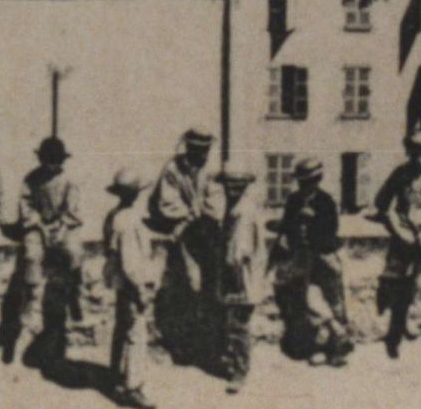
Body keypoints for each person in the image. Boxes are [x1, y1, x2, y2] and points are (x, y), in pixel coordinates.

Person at [0, 137, 83, 370]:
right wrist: (39, 226)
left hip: (62, 227)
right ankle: (31, 297)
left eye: (55, 161)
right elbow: (26, 207)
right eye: (47, 161)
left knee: (74, 252)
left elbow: (72, 211)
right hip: (37, 227)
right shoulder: (31, 179)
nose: (51, 166)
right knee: (31, 254)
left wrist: (61, 228)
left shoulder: (69, 181)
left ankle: (75, 295)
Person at [370, 130, 421, 359]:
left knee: (414, 281)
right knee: (395, 280)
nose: (419, 159)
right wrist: (385, 216)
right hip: (402, 231)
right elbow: (382, 198)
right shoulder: (401, 173)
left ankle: (403, 325)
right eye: (415, 153)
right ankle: (396, 330)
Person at [146, 127, 222, 365]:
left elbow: (216, 204)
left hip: (208, 234)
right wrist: (189, 216)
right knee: (189, 284)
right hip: (184, 235)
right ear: (189, 148)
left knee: (214, 286)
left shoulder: (210, 170)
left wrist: (198, 214)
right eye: (198, 150)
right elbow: (167, 203)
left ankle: (213, 346)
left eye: (205, 150)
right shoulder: (173, 169)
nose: (202, 155)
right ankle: (184, 346)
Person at [272, 157, 352, 366]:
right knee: (308, 301)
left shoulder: (326, 201)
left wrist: (314, 221)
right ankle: (321, 343)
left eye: (310, 180)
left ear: (317, 180)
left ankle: (336, 349)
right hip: (302, 257)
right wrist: (282, 228)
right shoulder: (294, 200)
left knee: (334, 299)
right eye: (302, 181)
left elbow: (331, 230)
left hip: (324, 254)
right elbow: (287, 225)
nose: (305, 185)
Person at [101, 168, 161, 409]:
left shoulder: (113, 215)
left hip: (119, 281)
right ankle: (133, 387)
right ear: (136, 194)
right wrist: (141, 290)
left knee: (122, 328)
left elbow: (110, 251)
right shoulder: (130, 220)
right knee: (136, 333)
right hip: (130, 282)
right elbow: (131, 263)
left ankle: (117, 377)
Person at [212, 163, 265, 393]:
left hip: (240, 277)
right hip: (242, 274)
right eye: (227, 186)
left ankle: (239, 371)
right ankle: (234, 363)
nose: (230, 190)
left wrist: (232, 278)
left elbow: (238, 253)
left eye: (235, 186)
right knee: (235, 325)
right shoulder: (240, 208)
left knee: (238, 326)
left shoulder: (241, 212)